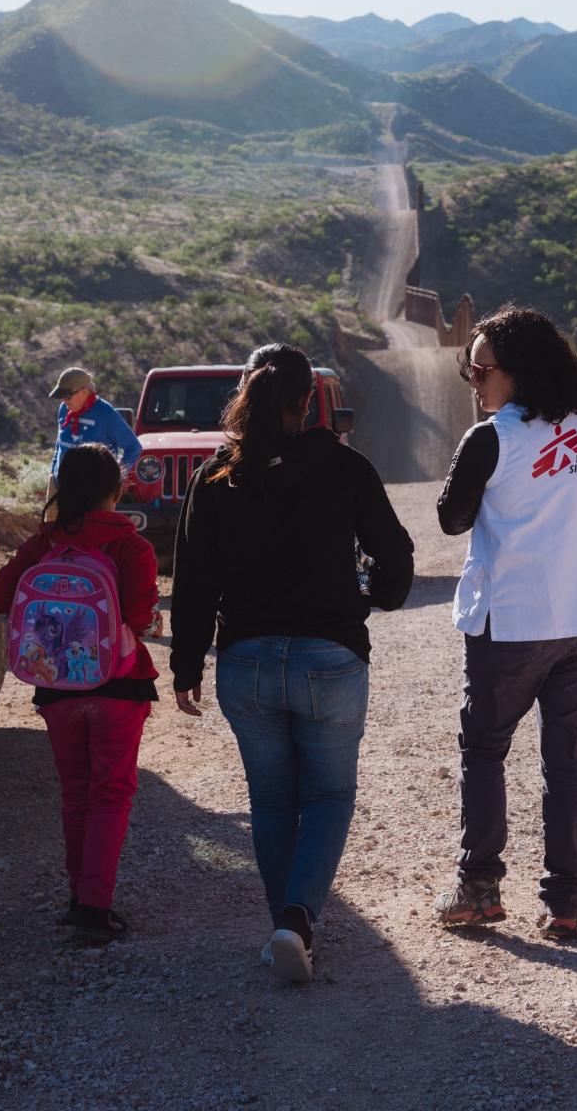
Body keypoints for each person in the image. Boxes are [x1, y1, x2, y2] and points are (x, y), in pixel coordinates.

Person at [170, 343, 415, 984]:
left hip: (245, 663)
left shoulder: (218, 473)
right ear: (310, 399)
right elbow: (397, 557)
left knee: (273, 803)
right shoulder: (345, 466)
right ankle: (297, 924)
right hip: (328, 658)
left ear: (247, 394)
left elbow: (193, 579)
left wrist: (187, 665)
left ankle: (286, 926)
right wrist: (370, 598)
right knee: (330, 794)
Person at [434, 304, 577, 941]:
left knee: (485, 747)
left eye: (479, 370)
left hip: (519, 618)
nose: (473, 382)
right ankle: (564, 903)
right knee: (567, 756)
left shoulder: (493, 437)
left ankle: (478, 887)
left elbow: (450, 519)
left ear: (516, 374)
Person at [0, 443, 161, 945]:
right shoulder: (132, 547)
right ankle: (94, 906)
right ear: (118, 488)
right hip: (119, 688)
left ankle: (77, 896)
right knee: (111, 792)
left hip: (57, 689)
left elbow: (1, 596)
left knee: (76, 793)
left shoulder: (44, 544)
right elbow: (137, 617)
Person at [46, 366, 143, 513]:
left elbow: (133, 447)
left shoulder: (106, 414)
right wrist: (52, 474)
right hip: (62, 492)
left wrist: (114, 479)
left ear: (84, 391)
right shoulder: (64, 409)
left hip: (92, 499)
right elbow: (60, 445)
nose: (63, 400)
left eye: (67, 396)